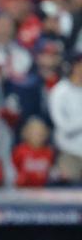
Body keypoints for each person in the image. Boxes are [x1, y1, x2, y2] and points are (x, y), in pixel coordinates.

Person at [49, 53, 82, 185]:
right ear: (74, 67)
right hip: (69, 153)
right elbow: (63, 126)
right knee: (68, 198)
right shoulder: (60, 91)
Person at [12, 117, 55, 188]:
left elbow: (50, 171)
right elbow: (13, 170)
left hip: (43, 189)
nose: (37, 136)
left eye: (40, 133)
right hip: (22, 189)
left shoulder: (49, 152)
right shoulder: (19, 151)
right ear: (26, 133)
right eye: (33, 132)